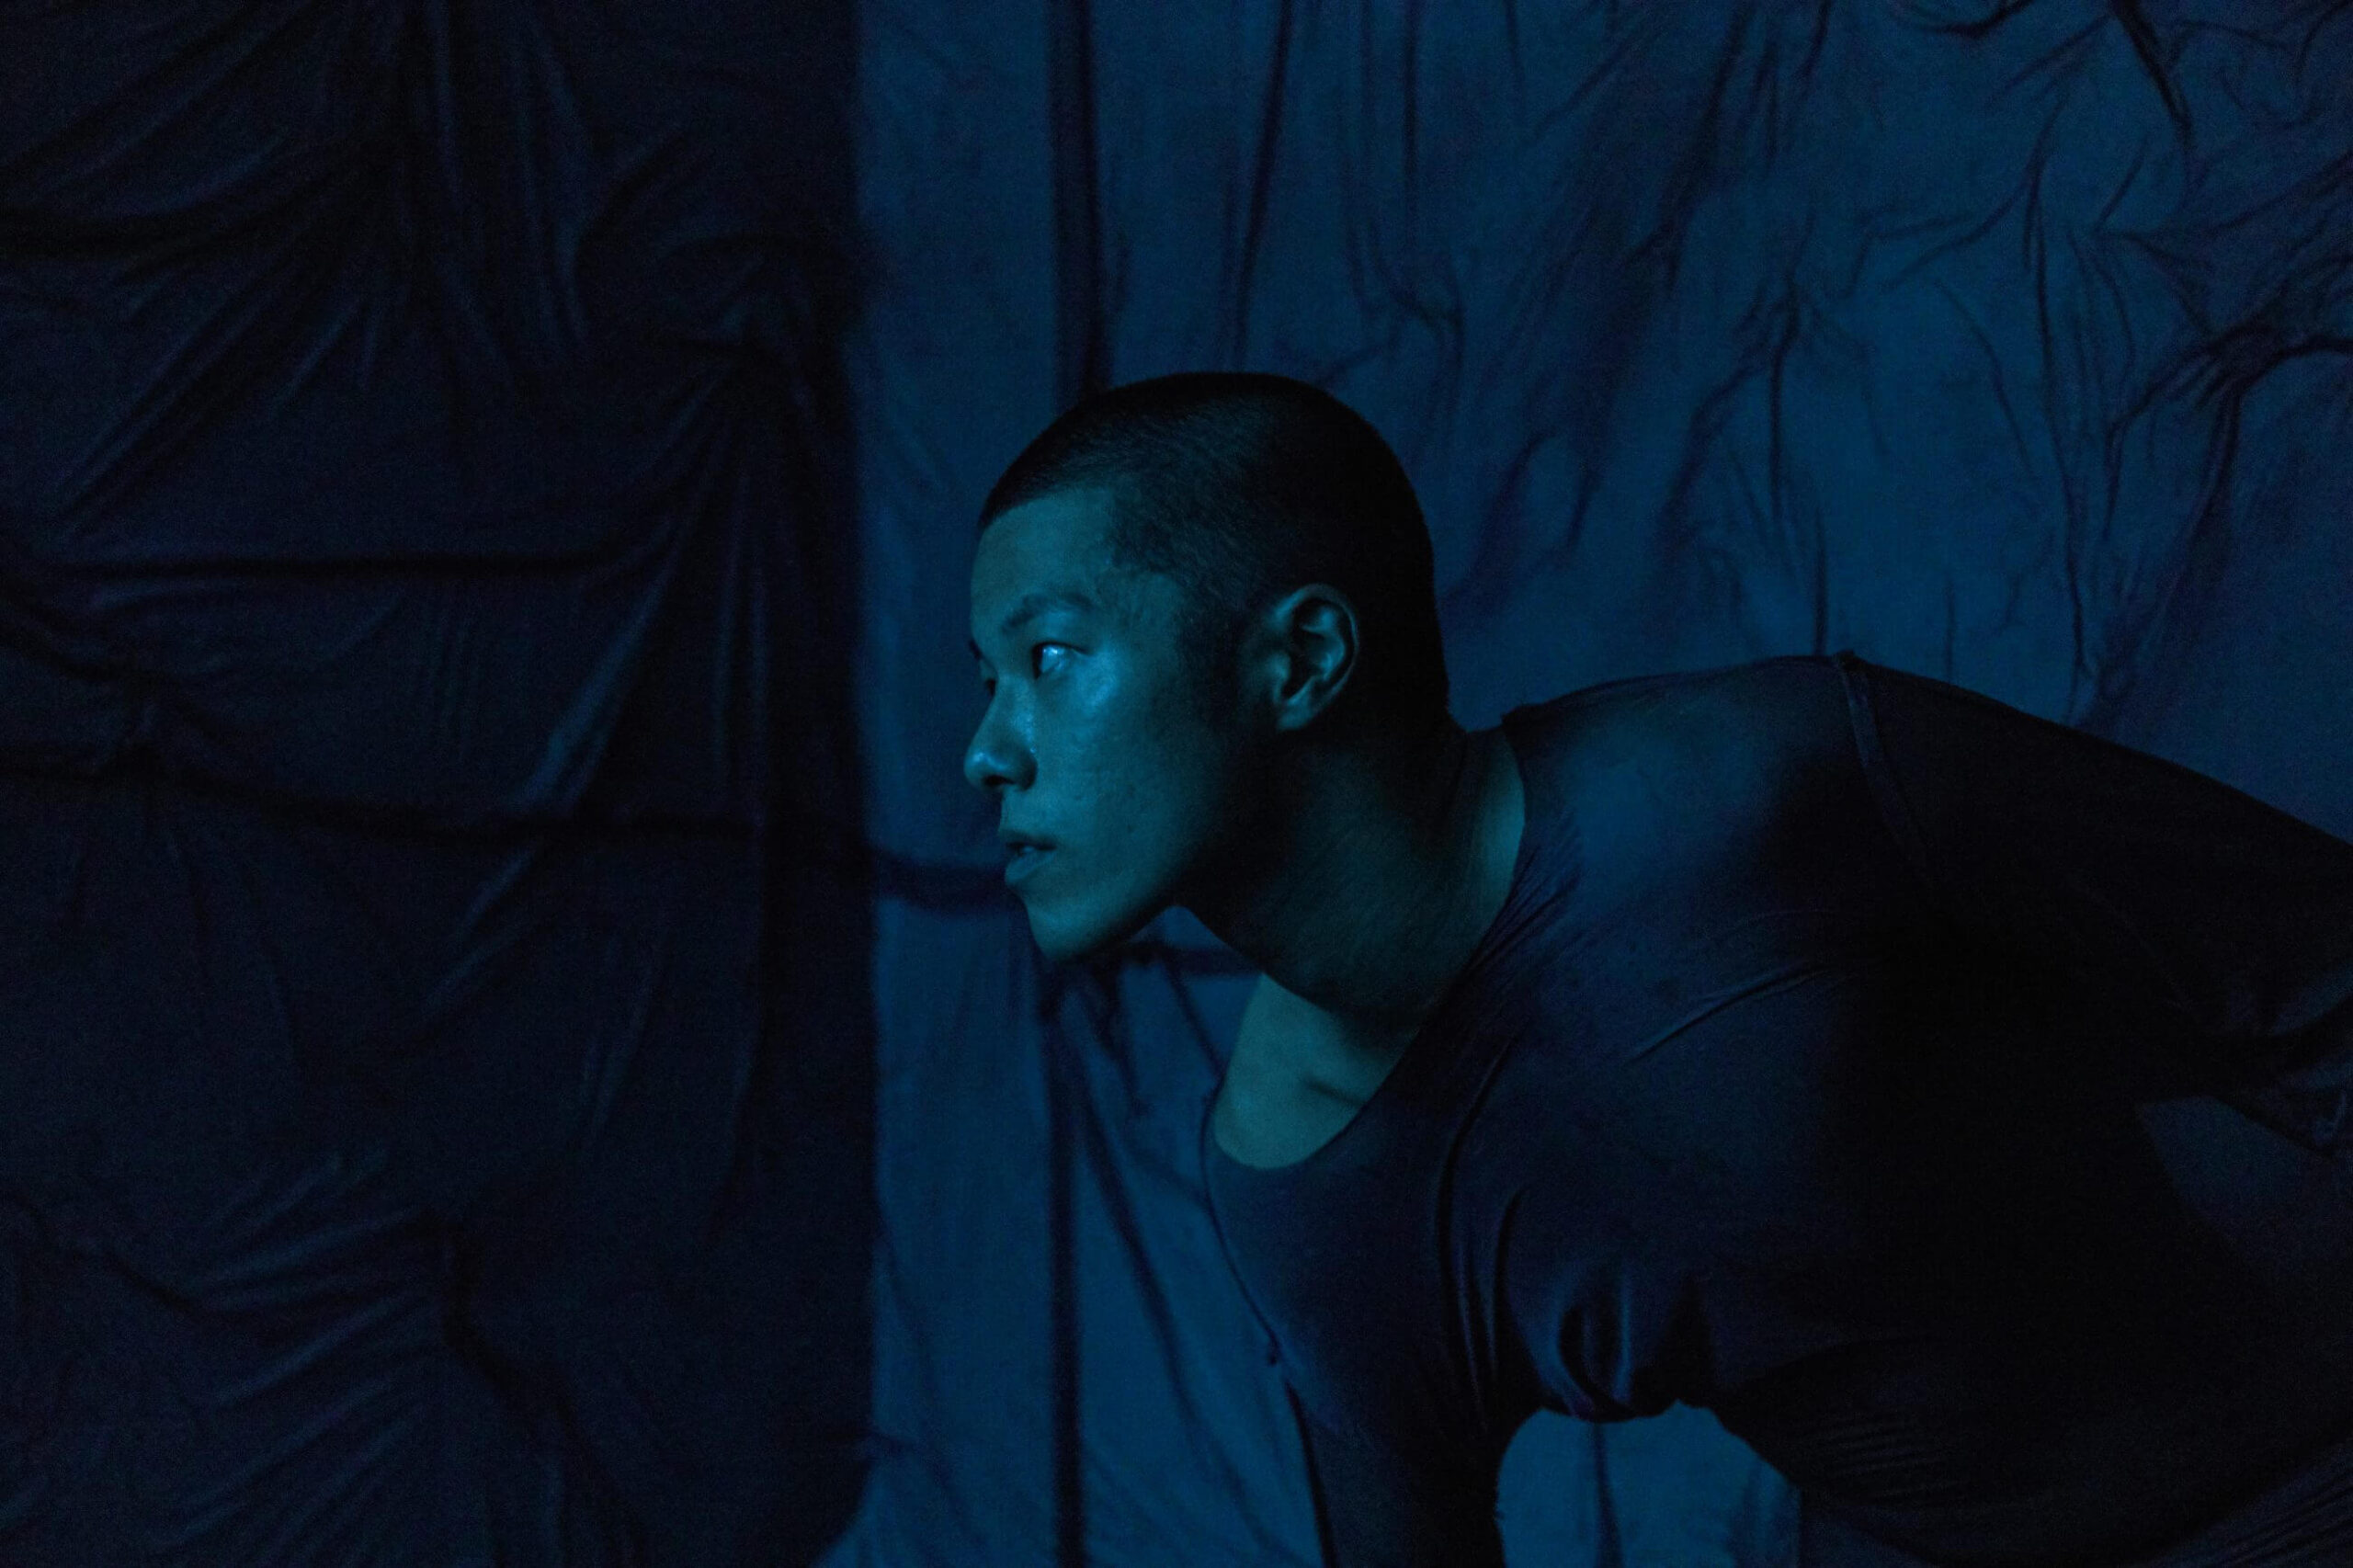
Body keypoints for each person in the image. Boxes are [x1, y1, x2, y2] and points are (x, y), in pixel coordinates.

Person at [960, 370, 2353, 1566]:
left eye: (1051, 655)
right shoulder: (1305, 1180)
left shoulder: (1767, 787)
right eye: (987, 678)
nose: (987, 751)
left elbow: (2325, 977)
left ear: (1303, 659)